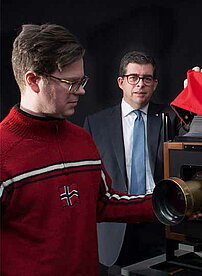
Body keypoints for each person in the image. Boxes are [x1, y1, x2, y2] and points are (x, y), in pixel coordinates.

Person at [0, 24, 157, 276]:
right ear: (33, 80)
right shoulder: (3, 152)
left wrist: (171, 201)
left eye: (81, 81)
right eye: (71, 82)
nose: (82, 90)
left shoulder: (82, 140)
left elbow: (105, 202)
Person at [83, 51, 175, 272]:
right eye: (133, 77)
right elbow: (89, 182)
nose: (140, 84)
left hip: (158, 220)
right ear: (121, 82)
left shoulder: (171, 118)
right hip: (116, 227)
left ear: (154, 84)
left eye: (147, 79)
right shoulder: (96, 124)